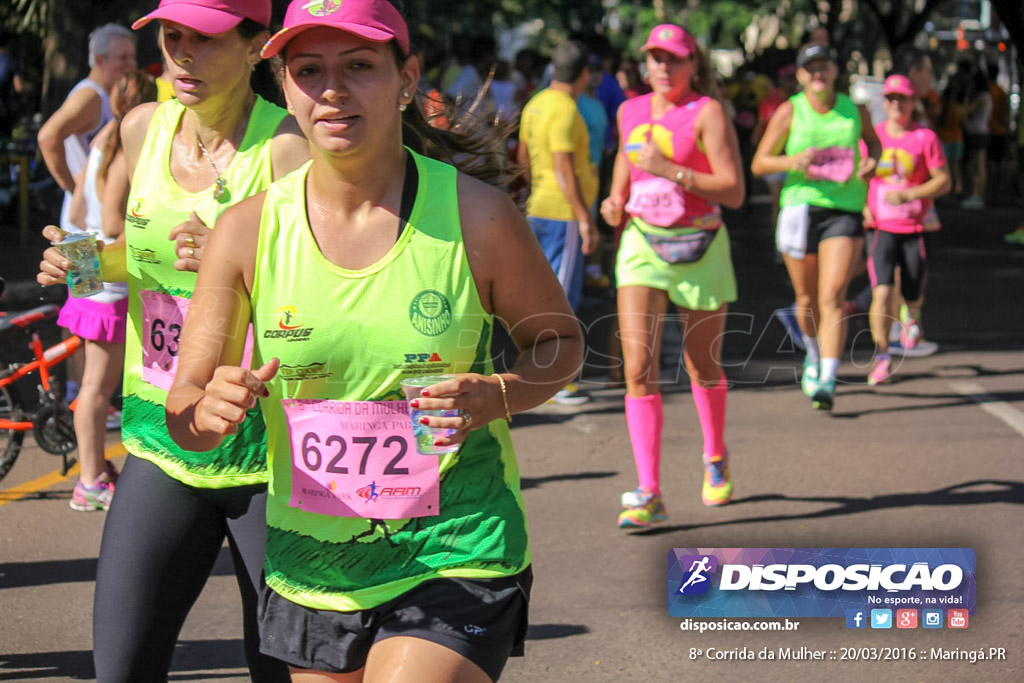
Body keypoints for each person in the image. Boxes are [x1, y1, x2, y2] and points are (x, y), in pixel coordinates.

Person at [164, 1, 583, 680]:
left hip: (456, 545)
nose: (332, 88)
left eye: (359, 66)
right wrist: (205, 411)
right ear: (285, 87)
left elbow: (559, 343)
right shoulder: (243, 232)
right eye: (309, 70)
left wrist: (498, 392)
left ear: (407, 77)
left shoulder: (477, 216)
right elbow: (184, 405)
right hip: (314, 564)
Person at [36, 0, 309, 679]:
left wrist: (236, 256)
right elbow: (139, 255)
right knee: (121, 667)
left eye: (207, 38)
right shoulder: (140, 129)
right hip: (162, 436)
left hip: (264, 455)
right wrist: (80, 261)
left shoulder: (286, 149)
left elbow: (325, 293)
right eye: (172, 34)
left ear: (256, 48)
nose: (182, 53)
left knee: (278, 670)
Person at [599, 23, 744, 527]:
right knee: (638, 365)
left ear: (692, 64)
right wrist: (616, 199)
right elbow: (627, 157)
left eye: (674, 59)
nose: (663, 67)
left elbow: (733, 189)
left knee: (702, 364)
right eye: (655, 58)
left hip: (700, 243)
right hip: (642, 242)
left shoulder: (706, 112)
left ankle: (715, 453)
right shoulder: (629, 110)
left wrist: (671, 169)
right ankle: (649, 491)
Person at [751, 43, 880, 411]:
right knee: (807, 300)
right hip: (800, 209)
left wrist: (872, 161)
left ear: (836, 71)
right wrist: (794, 160)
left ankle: (827, 376)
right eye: (811, 69)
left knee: (833, 294)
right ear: (801, 76)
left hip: (844, 208)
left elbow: (874, 144)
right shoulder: (790, 111)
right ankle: (812, 353)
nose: (818, 73)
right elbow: (760, 162)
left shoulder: (854, 110)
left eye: (824, 66)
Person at [62, 70, 156, 512]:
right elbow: (117, 224)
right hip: (109, 271)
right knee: (97, 388)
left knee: (92, 385)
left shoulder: (101, 141)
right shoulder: (126, 150)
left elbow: (78, 209)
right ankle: (90, 480)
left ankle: (95, 468)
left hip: (85, 256)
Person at [517, 39, 599, 405]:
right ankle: (555, 380)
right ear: (584, 75)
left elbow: (522, 158)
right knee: (561, 300)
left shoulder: (535, 104)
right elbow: (565, 167)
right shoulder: (566, 109)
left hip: (539, 207)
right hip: (562, 213)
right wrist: (585, 218)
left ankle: (547, 376)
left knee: (545, 295)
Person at [864, 75, 950, 385]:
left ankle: (910, 315)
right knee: (882, 291)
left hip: (914, 224)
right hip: (880, 225)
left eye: (903, 99)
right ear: (883, 103)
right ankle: (882, 357)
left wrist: (911, 194)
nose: (896, 104)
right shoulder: (873, 136)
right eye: (890, 99)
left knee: (912, 289)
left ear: (914, 103)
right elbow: (861, 175)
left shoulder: (924, 137)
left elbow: (943, 180)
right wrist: (864, 203)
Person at [38, 24, 137, 235]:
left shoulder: (105, 96)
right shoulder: (90, 96)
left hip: (91, 214)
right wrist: (74, 189)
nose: (132, 64)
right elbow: (48, 137)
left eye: (132, 56)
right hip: (85, 220)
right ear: (100, 60)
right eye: (123, 57)